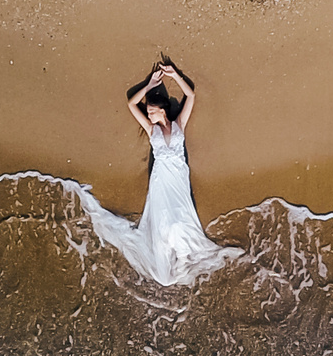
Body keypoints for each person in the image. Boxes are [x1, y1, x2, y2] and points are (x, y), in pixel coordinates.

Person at [81, 58, 242, 286]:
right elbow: (131, 104)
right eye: (148, 112)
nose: (148, 115)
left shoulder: (178, 124)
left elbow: (191, 96)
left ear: (162, 110)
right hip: (160, 178)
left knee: (181, 216)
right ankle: (173, 256)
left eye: (151, 111)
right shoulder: (151, 130)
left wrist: (174, 75)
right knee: (165, 220)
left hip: (177, 176)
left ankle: (184, 255)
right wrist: (148, 86)